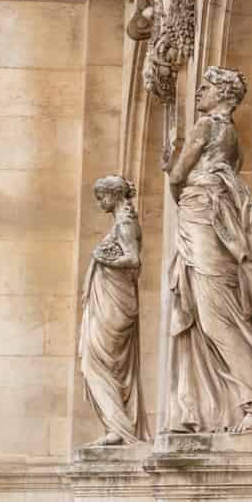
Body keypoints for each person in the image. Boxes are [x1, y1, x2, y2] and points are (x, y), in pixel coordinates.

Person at [163, 67, 252, 433]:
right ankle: (224, 403)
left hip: (203, 217)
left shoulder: (206, 127)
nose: (199, 91)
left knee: (216, 317)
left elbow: (175, 174)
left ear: (224, 94)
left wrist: (183, 196)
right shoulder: (229, 136)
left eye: (206, 87)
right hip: (213, 219)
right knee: (211, 315)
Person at [80, 175, 146, 445]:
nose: (99, 203)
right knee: (95, 361)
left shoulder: (125, 222)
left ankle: (119, 429)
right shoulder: (121, 221)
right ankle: (116, 426)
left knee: (95, 361)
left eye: (101, 197)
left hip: (115, 302)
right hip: (109, 298)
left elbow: (133, 259)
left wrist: (102, 257)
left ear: (114, 195)